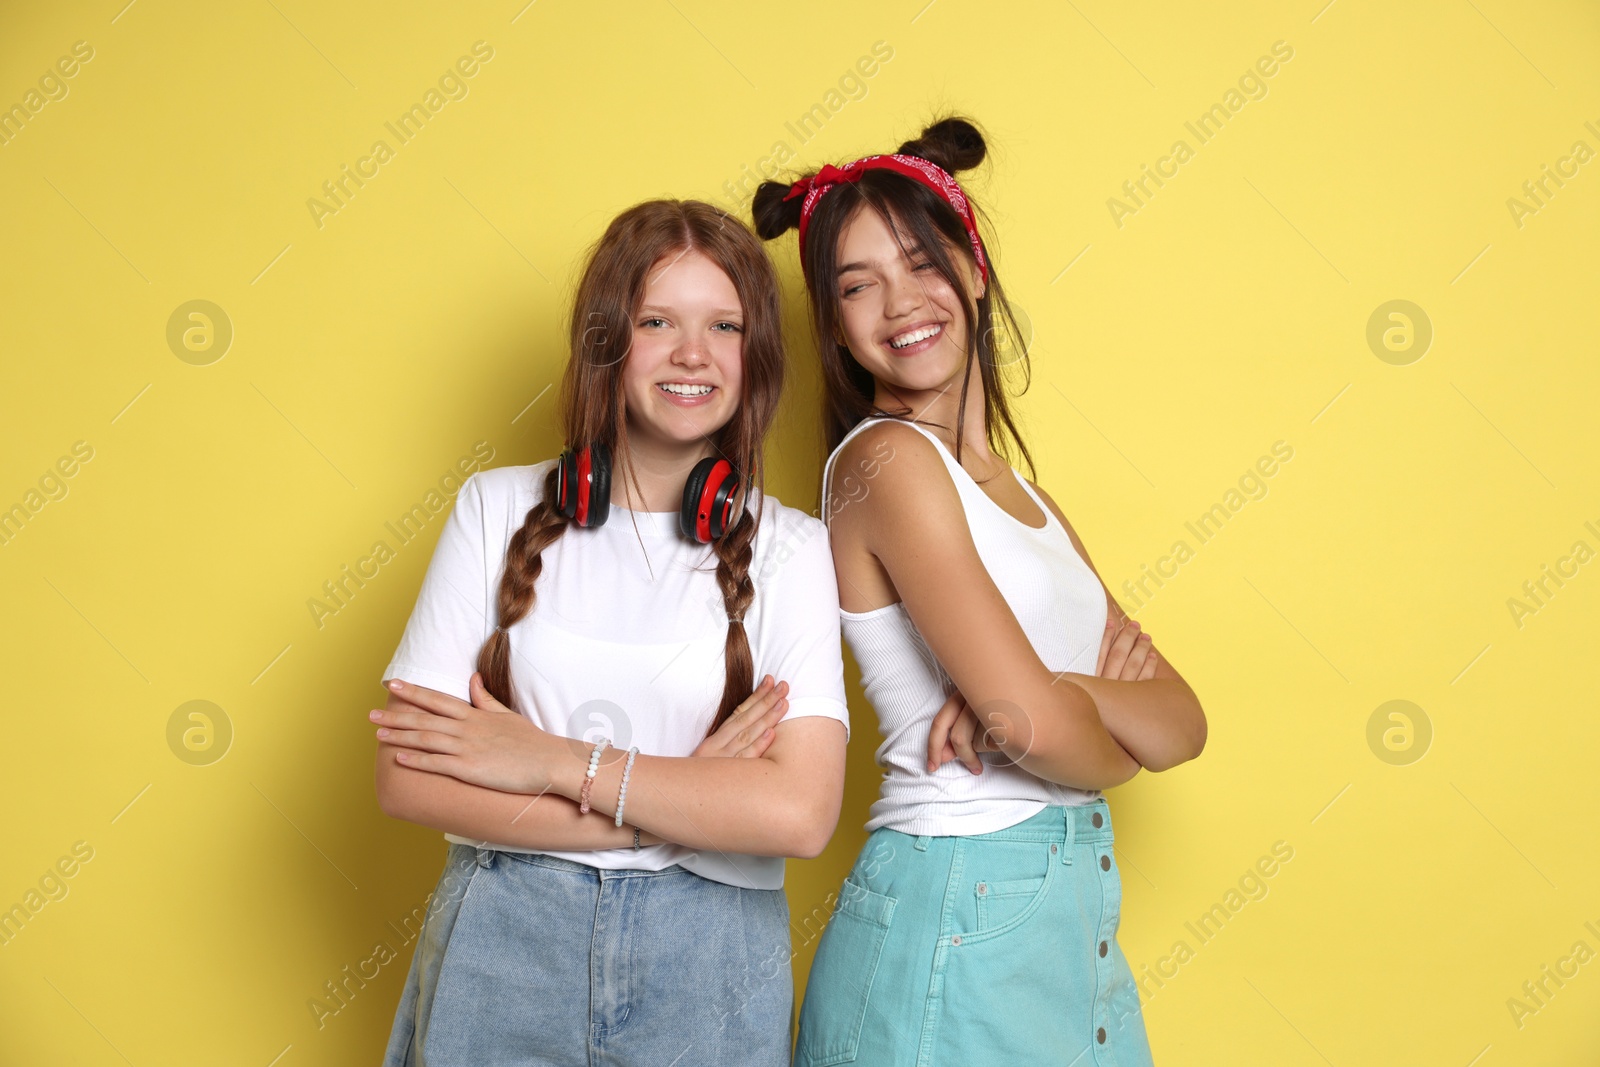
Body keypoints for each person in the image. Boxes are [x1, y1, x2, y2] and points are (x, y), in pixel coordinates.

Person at [752, 117, 1208, 1065]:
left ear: (973, 269)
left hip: (1065, 927)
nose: (900, 302)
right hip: (955, 916)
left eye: (922, 262)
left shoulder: (1030, 499)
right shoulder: (886, 463)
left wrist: (1070, 696)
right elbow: (1035, 725)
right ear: (836, 324)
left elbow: (1185, 722)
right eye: (856, 284)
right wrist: (1069, 718)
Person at [370, 199, 851, 1066]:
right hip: (503, 939)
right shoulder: (493, 509)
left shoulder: (793, 548)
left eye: (724, 325)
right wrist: (669, 812)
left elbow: (800, 811)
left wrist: (548, 760)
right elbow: (408, 777)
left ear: (756, 354)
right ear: (607, 342)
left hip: (712, 960)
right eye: (657, 321)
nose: (693, 353)